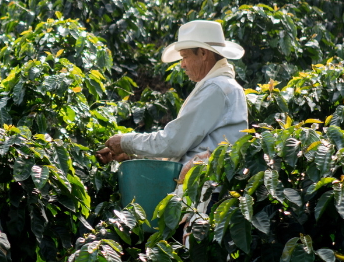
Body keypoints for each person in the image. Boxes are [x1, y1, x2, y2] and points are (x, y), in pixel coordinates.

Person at [97, 20, 248, 180]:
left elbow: (173, 142)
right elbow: (185, 147)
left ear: (203, 54)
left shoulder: (216, 87)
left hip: (209, 192)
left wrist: (125, 142)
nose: (182, 65)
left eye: (185, 57)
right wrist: (131, 154)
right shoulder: (220, 86)